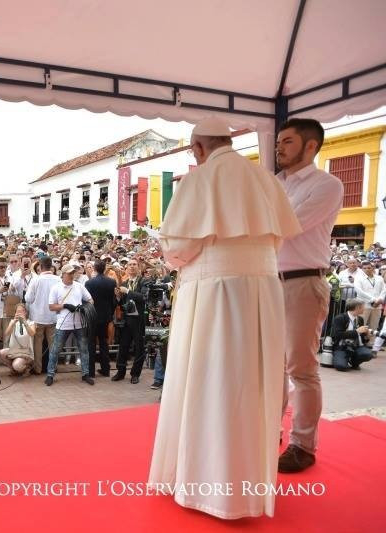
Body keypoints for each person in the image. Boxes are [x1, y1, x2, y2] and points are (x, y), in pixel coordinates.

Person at [148, 116, 301, 519]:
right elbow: (277, 238)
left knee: (209, 383)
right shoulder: (266, 180)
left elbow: (177, 248)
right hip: (262, 292)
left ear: (198, 148)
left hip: (212, 295)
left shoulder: (198, 180)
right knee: (251, 385)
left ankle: (207, 488)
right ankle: (247, 487)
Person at [275, 118, 344, 474]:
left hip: (304, 281)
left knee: (300, 369)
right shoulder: (275, 183)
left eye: (287, 141)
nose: (279, 146)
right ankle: (269, 431)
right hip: (270, 282)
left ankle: (303, 445)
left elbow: (285, 226)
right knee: (270, 367)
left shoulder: (327, 185)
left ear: (311, 145)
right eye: (279, 141)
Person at [45, 264, 94, 386]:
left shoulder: (79, 286)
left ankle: (85, 374)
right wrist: (65, 306)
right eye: (69, 273)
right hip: (63, 324)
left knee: (84, 349)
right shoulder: (56, 288)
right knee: (55, 350)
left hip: (79, 323)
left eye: (73, 273)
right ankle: (50, 374)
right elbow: (51, 307)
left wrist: (84, 307)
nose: (72, 275)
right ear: (63, 274)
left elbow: (90, 300)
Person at [113, 258, 146, 384]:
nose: (132, 266)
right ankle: (120, 372)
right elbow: (121, 303)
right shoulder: (125, 283)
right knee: (123, 346)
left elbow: (142, 297)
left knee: (139, 348)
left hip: (139, 320)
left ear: (138, 267)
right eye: (130, 265)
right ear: (126, 268)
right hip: (127, 319)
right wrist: (118, 296)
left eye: (134, 264)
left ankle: (135, 374)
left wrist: (127, 291)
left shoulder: (143, 281)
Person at [24, 256, 58, 374]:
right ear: (51, 266)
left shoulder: (36, 280)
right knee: (53, 344)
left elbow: (28, 298)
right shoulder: (58, 279)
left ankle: (37, 368)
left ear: (41, 266)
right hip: (53, 317)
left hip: (38, 317)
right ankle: (53, 368)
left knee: (37, 344)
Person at [85, 259, 116, 378]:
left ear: (95, 268)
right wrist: (110, 313)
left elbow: (87, 301)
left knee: (91, 343)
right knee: (104, 342)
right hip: (106, 316)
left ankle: (91, 372)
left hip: (93, 316)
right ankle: (105, 369)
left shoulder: (89, 283)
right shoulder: (111, 282)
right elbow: (113, 301)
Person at [330, 299, 374, 371]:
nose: (364, 309)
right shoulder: (340, 318)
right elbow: (338, 335)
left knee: (368, 354)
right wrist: (356, 331)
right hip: (342, 347)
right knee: (341, 366)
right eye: (363, 307)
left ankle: (354, 362)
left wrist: (367, 336)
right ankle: (341, 358)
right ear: (357, 308)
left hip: (356, 346)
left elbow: (362, 339)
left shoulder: (360, 319)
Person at [0, 303, 36, 375]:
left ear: (26, 312)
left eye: (21, 311)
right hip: (14, 350)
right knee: (0, 353)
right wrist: (13, 323)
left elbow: (32, 333)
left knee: (17, 365)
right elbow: (7, 333)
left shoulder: (31, 323)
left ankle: (26, 368)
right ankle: (14, 370)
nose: (19, 313)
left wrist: (24, 322)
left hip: (26, 352)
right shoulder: (13, 322)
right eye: (18, 311)